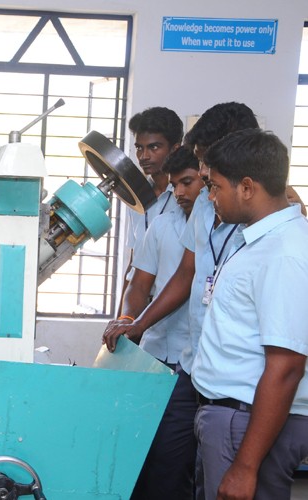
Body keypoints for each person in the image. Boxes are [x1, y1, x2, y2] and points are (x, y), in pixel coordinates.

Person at [103, 102, 259, 499]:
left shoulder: (270, 216)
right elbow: (183, 277)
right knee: (169, 468)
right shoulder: (201, 211)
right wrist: (134, 323)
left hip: (240, 385)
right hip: (191, 367)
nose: (200, 181)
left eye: (201, 172)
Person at [191, 128, 308, 499]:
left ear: (246, 187)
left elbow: (287, 364)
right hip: (232, 418)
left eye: (216, 187)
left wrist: (245, 467)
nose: (210, 197)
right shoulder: (257, 240)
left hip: (245, 424)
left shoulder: (284, 253)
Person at [105, 146, 204, 499]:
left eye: (188, 183)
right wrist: (129, 318)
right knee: (137, 454)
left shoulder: (222, 229)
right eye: (176, 185)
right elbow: (140, 283)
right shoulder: (163, 224)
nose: (179, 193)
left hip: (190, 363)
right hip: (152, 357)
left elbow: (186, 280)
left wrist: (140, 323)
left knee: (171, 464)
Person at [120, 107, 183, 305]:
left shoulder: (187, 198)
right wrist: (120, 316)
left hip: (171, 306)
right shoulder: (136, 195)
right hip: (137, 301)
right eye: (139, 148)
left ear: (175, 148)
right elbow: (133, 261)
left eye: (153, 147)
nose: (144, 156)